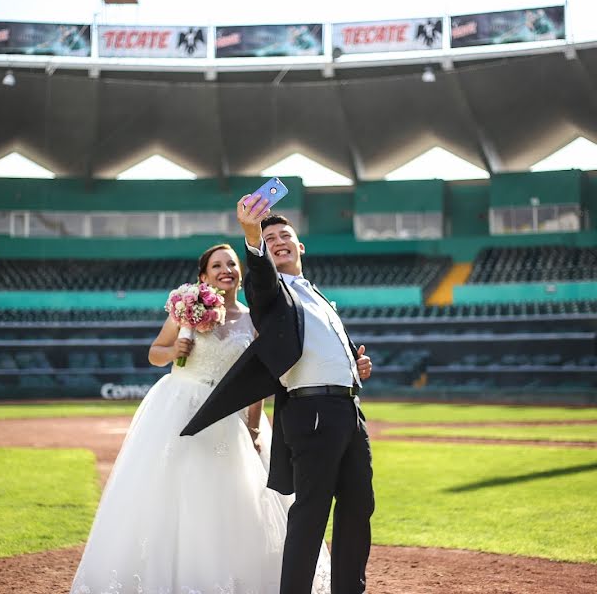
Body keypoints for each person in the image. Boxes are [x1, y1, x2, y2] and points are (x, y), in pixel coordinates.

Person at [70, 243, 330, 594]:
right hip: (177, 408)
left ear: (241, 272)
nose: (226, 270)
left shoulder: (256, 320)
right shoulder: (187, 307)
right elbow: (154, 354)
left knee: (233, 499)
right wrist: (173, 351)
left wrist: (253, 428)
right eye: (217, 265)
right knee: (172, 495)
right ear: (203, 276)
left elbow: (261, 381)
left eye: (232, 264)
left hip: (228, 415)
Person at [183, 196, 375, 594]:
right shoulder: (268, 290)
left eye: (285, 235)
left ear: (300, 245)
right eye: (270, 239)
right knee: (312, 510)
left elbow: (321, 343)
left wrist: (354, 368)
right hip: (312, 411)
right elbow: (261, 278)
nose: (279, 240)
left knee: (359, 506)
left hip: (349, 408)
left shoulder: (317, 293)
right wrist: (252, 238)